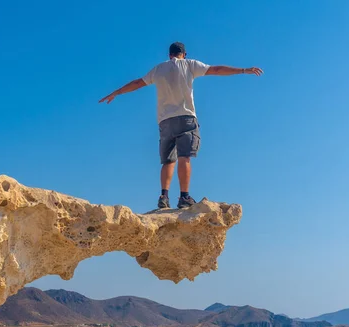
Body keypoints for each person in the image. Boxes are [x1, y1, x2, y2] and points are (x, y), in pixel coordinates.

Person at [99, 42, 263, 209]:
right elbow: (216, 70)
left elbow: (137, 83)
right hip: (186, 118)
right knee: (184, 157)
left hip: (165, 121)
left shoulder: (158, 69)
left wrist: (116, 92)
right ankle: (184, 197)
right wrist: (243, 70)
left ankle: (164, 196)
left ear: (169, 55)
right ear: (184, 54)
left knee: (168, 161)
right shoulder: (190, 64)